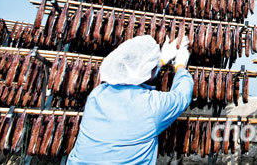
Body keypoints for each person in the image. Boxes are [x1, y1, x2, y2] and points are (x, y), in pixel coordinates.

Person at [67, 35, 193, 164]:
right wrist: (180, 66)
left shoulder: (97, 95)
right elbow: (182, 96)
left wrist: (160, 61)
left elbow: (135, 73)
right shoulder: (151, 107)